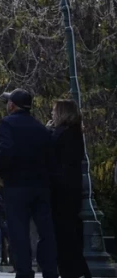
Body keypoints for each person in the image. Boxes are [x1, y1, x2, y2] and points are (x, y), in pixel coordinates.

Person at [0, 89, 58, 278]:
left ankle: (24, 271)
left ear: (12, 105)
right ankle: (49, 269)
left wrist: (3, 171)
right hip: (40, 186)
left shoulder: (8, 124)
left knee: (19, 231)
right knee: (45, 230)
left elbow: (5, 153)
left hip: (17, 186)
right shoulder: (40, 128)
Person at [48, 99, 92, 278]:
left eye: (54, 110)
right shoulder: (73, 133)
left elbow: (53, 154)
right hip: (70, 189)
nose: (52, 113)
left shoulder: (63, 134)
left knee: (64, 234)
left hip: (61, 190)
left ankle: (72, 271)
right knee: (69, 232)